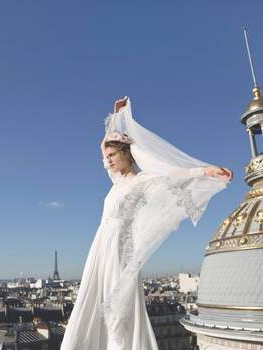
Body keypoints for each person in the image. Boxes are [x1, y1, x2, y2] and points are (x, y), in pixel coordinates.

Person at [60, 97, 233, 350]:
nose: (107, 160)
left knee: (117, 301)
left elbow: (173, 176)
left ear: (125, 154)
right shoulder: (116, 180)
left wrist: (204, 171)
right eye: (106, 156)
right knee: (93, 296)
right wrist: (117, 117)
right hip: (101, 248)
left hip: (120, 249)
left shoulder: (141, 181)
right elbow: (102, 146)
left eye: (112, 156)